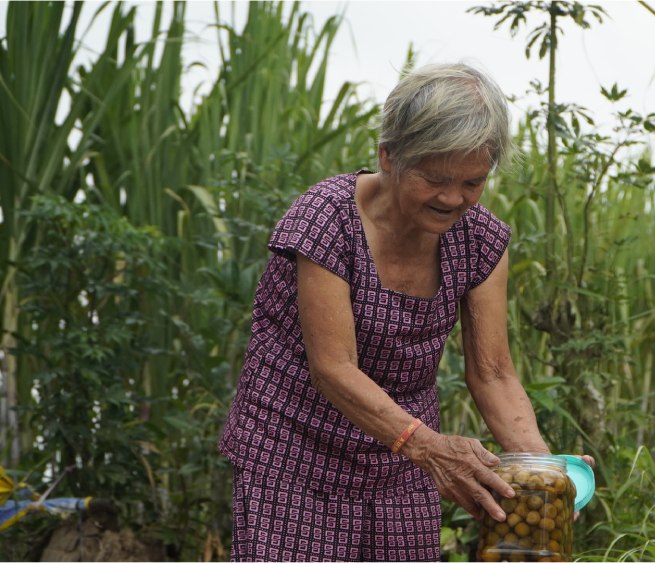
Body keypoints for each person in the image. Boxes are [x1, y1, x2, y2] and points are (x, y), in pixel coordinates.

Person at [218, 62, 593, 562]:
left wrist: (542, 472)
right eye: (435, 178)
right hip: (294, 461)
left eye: (473, 182)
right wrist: (430, 448)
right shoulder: (326, 220)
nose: (453, 198)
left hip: (402, 467)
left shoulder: (480, 239)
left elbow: (494, 373)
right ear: (388, 157)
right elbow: (333, 368)